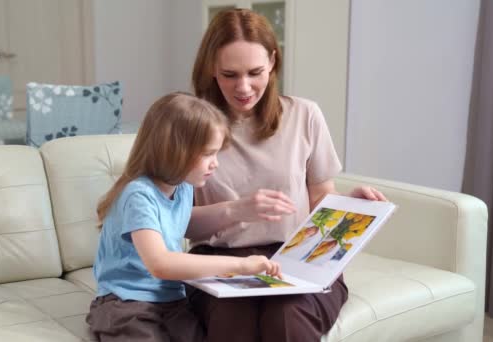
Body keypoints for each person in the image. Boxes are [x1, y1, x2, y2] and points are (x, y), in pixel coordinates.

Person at [186, 9, 388, 342]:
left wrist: (349, 207)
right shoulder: (190, 125)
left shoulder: (305, 115)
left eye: (255, 72)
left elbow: (320, 201)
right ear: (211, 68)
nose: (244, 87)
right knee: (234, 316)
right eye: (229, 74)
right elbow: (176, 223)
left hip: (298, 258)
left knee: (287, 314)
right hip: (218, 260)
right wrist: (236, 211)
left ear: (273, 62)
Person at [86, 92, 282, 342]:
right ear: (174, 151)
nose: (215, 164)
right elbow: (161, 264)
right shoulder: (138, 195)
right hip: (125, 303)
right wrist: (241, 266)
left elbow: (181, 221)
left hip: (171, 301)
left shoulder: (182, 187)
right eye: (208, 154)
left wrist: (238, 210)